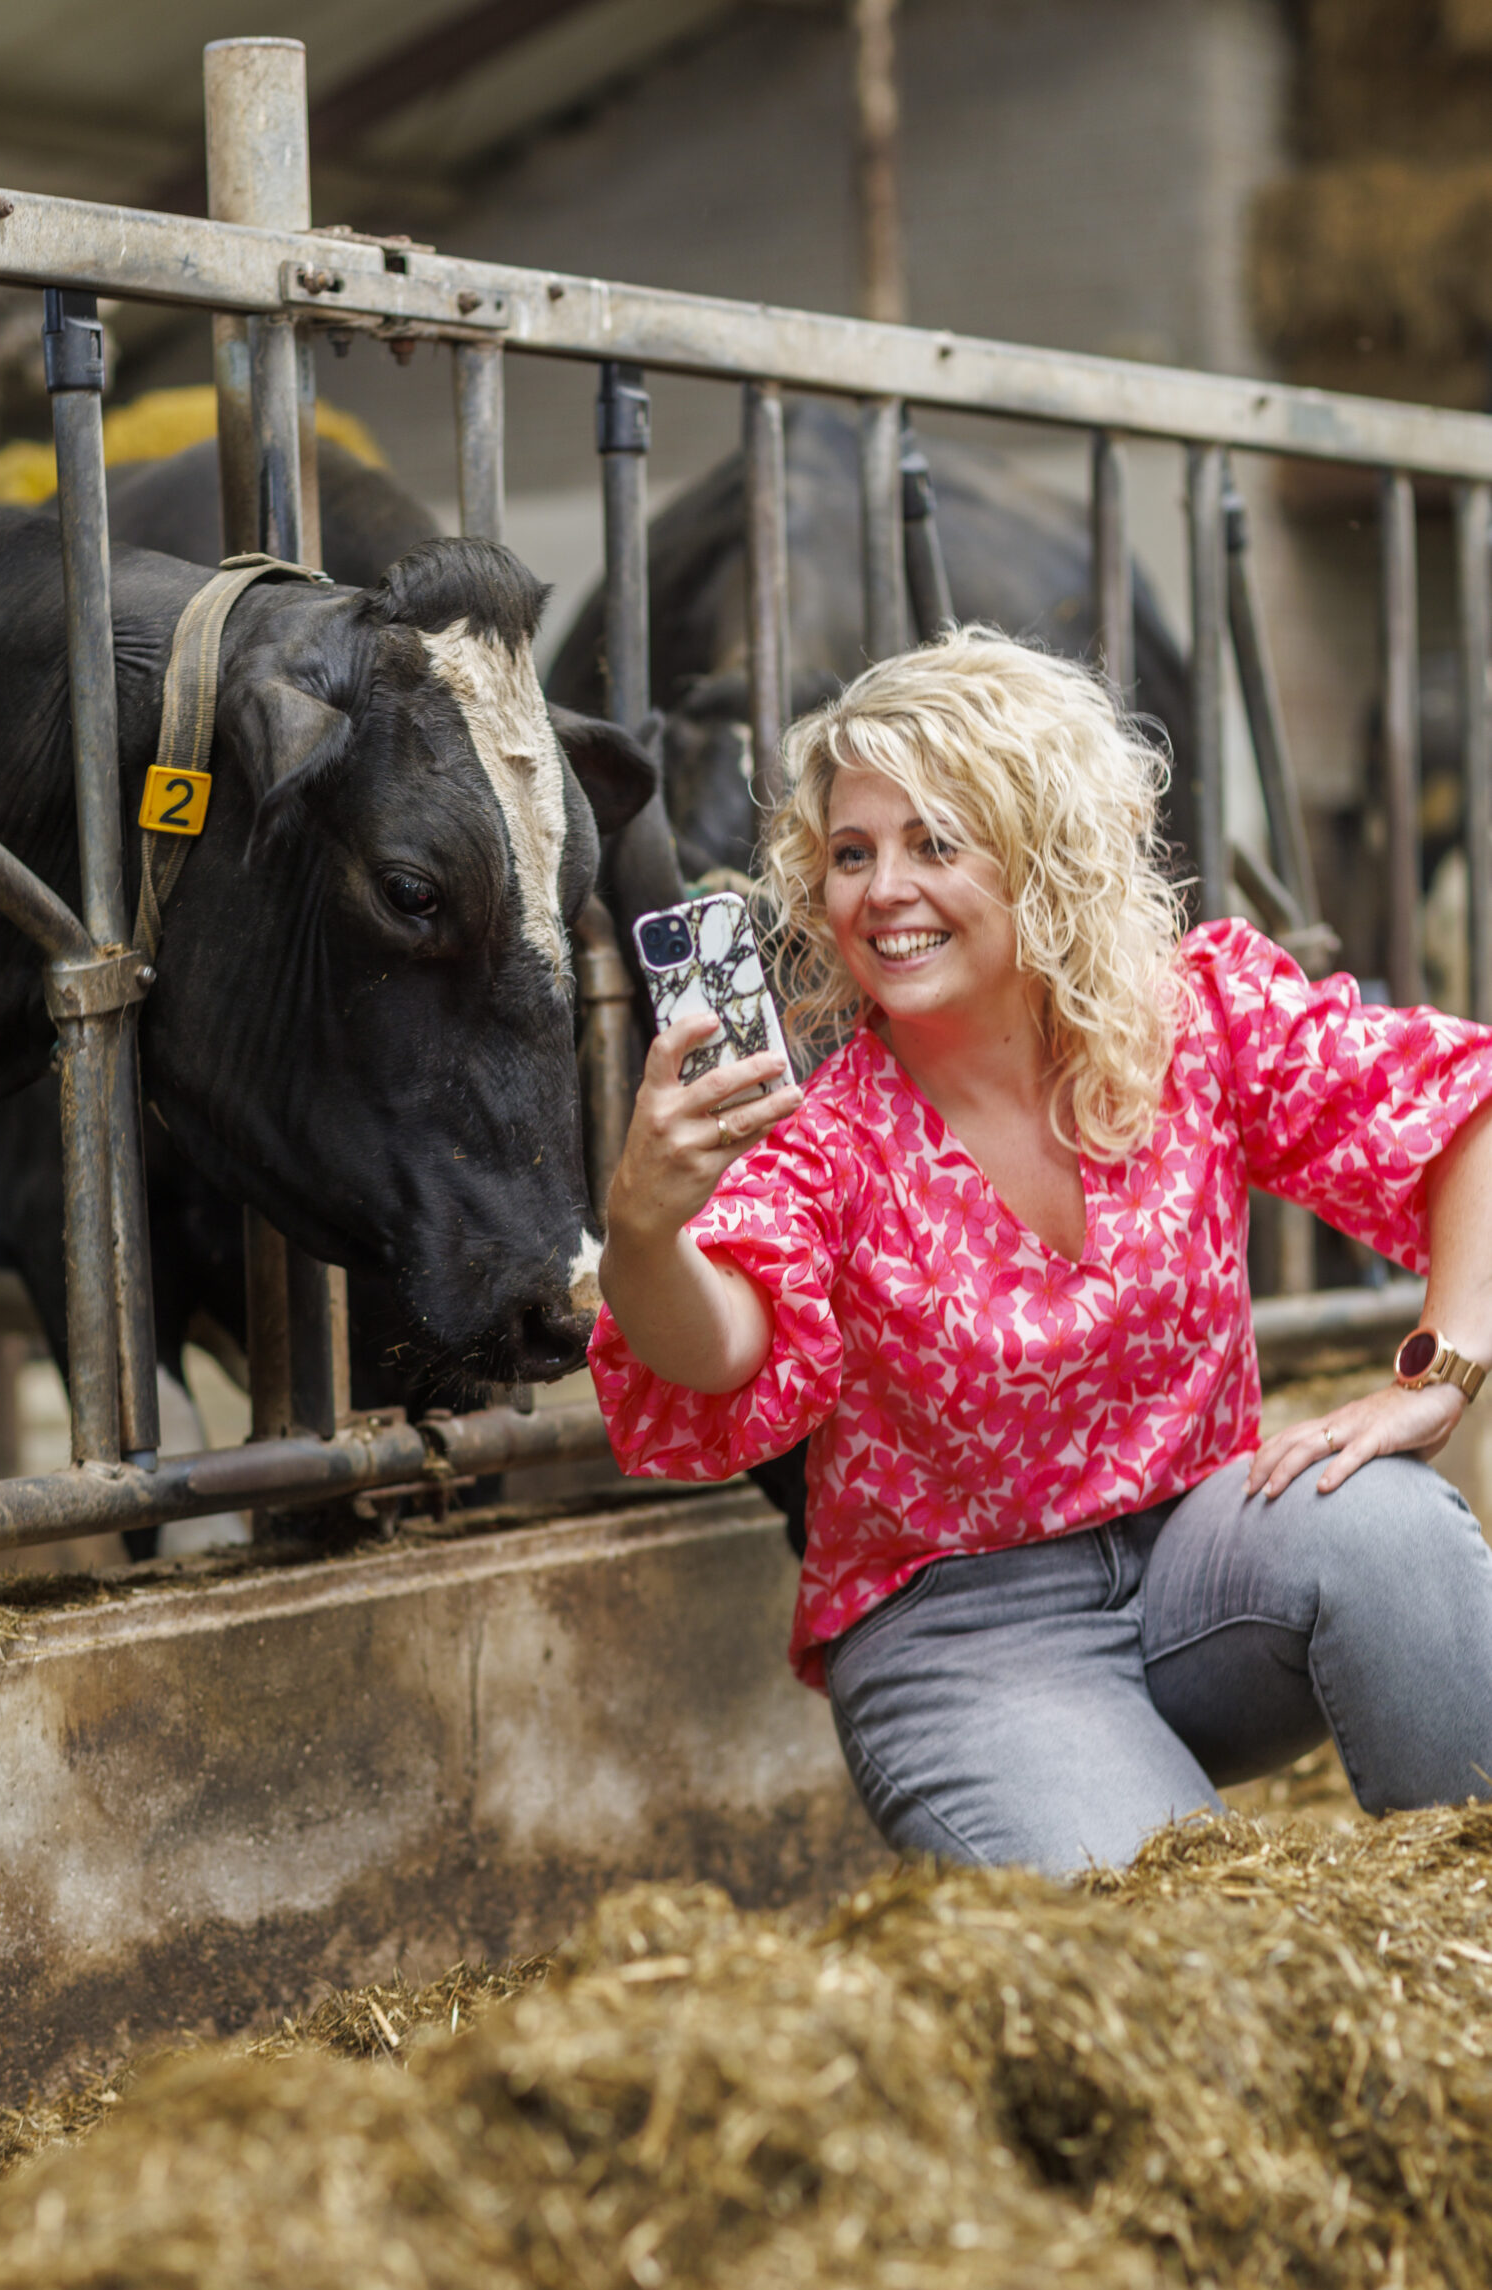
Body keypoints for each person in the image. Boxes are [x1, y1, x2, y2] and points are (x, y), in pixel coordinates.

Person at [589, 629, 1492, 1874]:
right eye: (852, 854)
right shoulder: (826, 1139)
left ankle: (1470, 1937)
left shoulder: (1191, 1022)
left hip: (1203, 1568)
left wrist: (1440, 1373)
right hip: (968, 1640)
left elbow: (1464, 1110)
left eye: (933, 843)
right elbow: (718, 1341)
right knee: (1189, 1958)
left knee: (1392, 1524)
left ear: (1042, 855)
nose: (881, 891)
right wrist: (645, 1220)